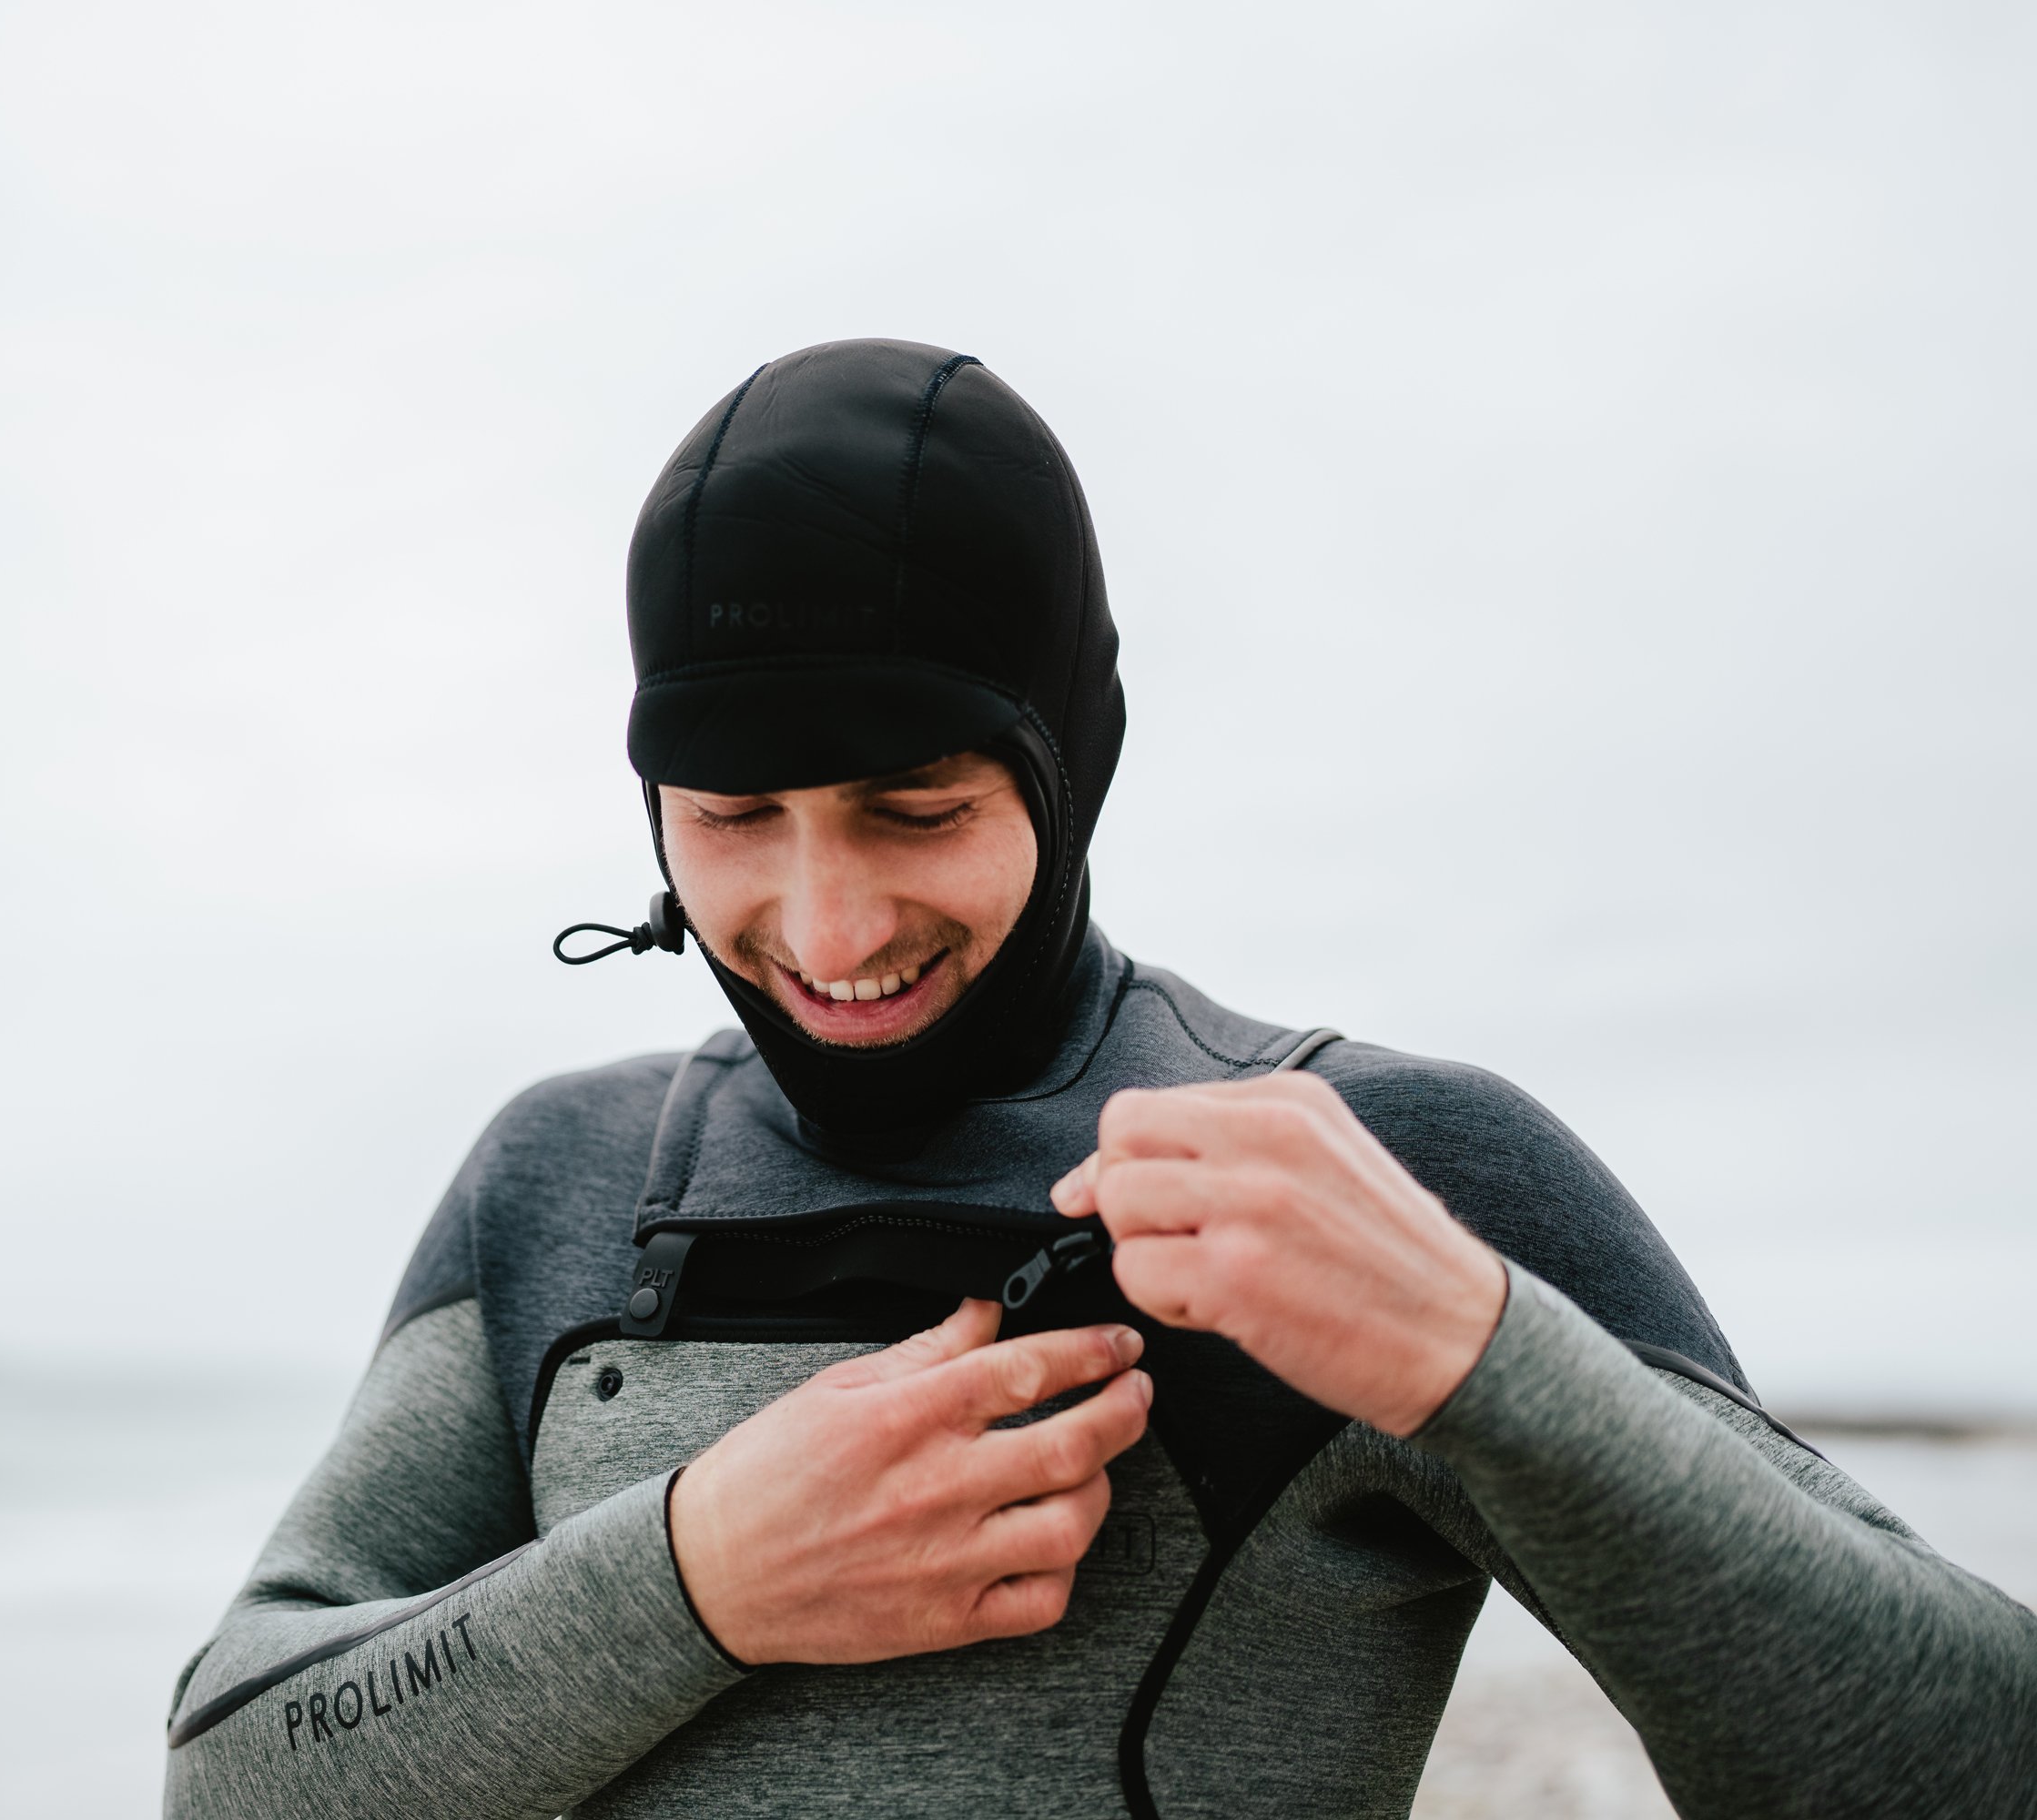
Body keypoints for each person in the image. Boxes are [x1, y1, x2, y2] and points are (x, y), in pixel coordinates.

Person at [160, 339, 2037, 1818]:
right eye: (733, 816)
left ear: (1072, 765)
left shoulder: (1386, 1166)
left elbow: (1968, 1760)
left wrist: (1486, 1357)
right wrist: (697, 1571)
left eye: (917, 807)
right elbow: (233, 1771)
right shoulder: (558, 1178)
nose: (823, 920)